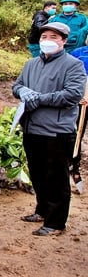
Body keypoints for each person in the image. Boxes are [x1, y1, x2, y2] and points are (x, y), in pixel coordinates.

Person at [12, 22, 86, 236]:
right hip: (32, 128)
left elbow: (72, 94)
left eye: (54, 37)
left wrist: (40, 99)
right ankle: (42, 210)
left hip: (57, 131)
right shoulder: (31, 64)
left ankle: (56, 223)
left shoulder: (73, 65)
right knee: (38, 173)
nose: (48, 41)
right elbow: (16, 86)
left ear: (63, 41)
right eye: (44, 37)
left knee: (56, 177)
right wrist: (23, 91)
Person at [69, 45, 88, 193]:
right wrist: (78, 94)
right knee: (76, 135)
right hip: (81, 102)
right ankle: (74, 169)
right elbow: (68, 74)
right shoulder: (78, 53)